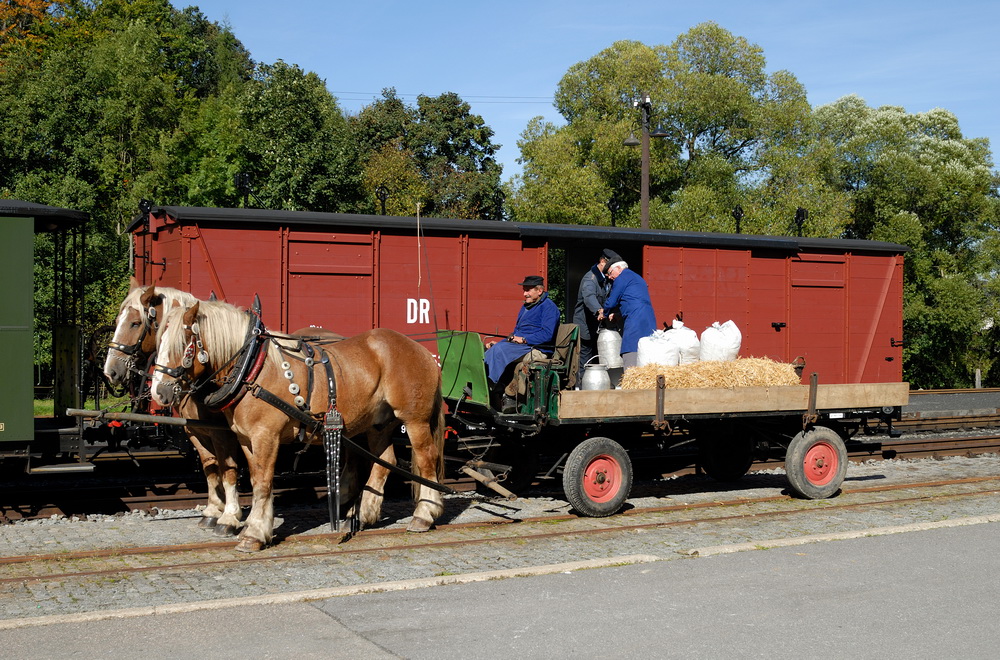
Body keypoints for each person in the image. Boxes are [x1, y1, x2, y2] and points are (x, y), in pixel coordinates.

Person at [484, 275, 560, 412]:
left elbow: (547, 335)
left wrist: (525, 340)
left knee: (500, 351)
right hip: (522, 346)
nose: (525, 294)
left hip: (538, 348)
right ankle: (491, 387)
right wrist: (501, 342)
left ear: (539, 291)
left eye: (528, 290)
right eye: (524, 290)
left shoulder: (549, 307)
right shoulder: (526, 307)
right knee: (493, 349)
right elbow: (516, 334)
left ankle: (491, 386)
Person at [598, 260, 657, 371]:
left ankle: (631, 378)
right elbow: (634, 300)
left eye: (610, 273)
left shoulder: (621, 278)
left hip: (635, 319)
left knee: (630, 348)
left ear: (619, 268)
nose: (610, 277)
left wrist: (603, 313)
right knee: (647, 350)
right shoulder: (636, 277)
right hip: (648, 318)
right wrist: (618, 314)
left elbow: (612, 301)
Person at [573, 248, 621, 369]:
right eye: (609, 266)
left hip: (599, 326)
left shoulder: (607, 280)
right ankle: (583, 385)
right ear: (602, 261)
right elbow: (589, 297)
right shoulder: (590, 278)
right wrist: (599, 310)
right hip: (586, 327)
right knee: (586, 359)